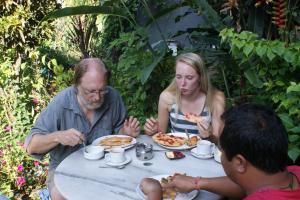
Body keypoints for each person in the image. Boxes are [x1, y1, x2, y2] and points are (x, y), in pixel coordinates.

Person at [25, 58, 140, 200]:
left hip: (105, 166)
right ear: (76, 86)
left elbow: (117, 137)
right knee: (59, 194)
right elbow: (31, 147)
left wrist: (126, 133)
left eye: (102, 90)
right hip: (66, 170)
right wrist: (58, 136)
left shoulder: (113, 97)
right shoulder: (61, 103)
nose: (97, 97)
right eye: (90, 91)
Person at [141, 104, 300, 200]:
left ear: (239, 162)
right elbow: (245, 184)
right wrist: (197, 182)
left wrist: (155, 193)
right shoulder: (291, 174)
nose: (221, 154)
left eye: (221, 149)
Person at [143, 52, 225, 140]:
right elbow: (160, 135)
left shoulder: (215, 98)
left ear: (200, 77)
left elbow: (220, 142)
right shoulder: (167, 97)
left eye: (189, 78)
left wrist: (209, 135)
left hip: (204, 153)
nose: (182, 84)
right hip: (175, 152)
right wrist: (152, 131)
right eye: (178, 77)